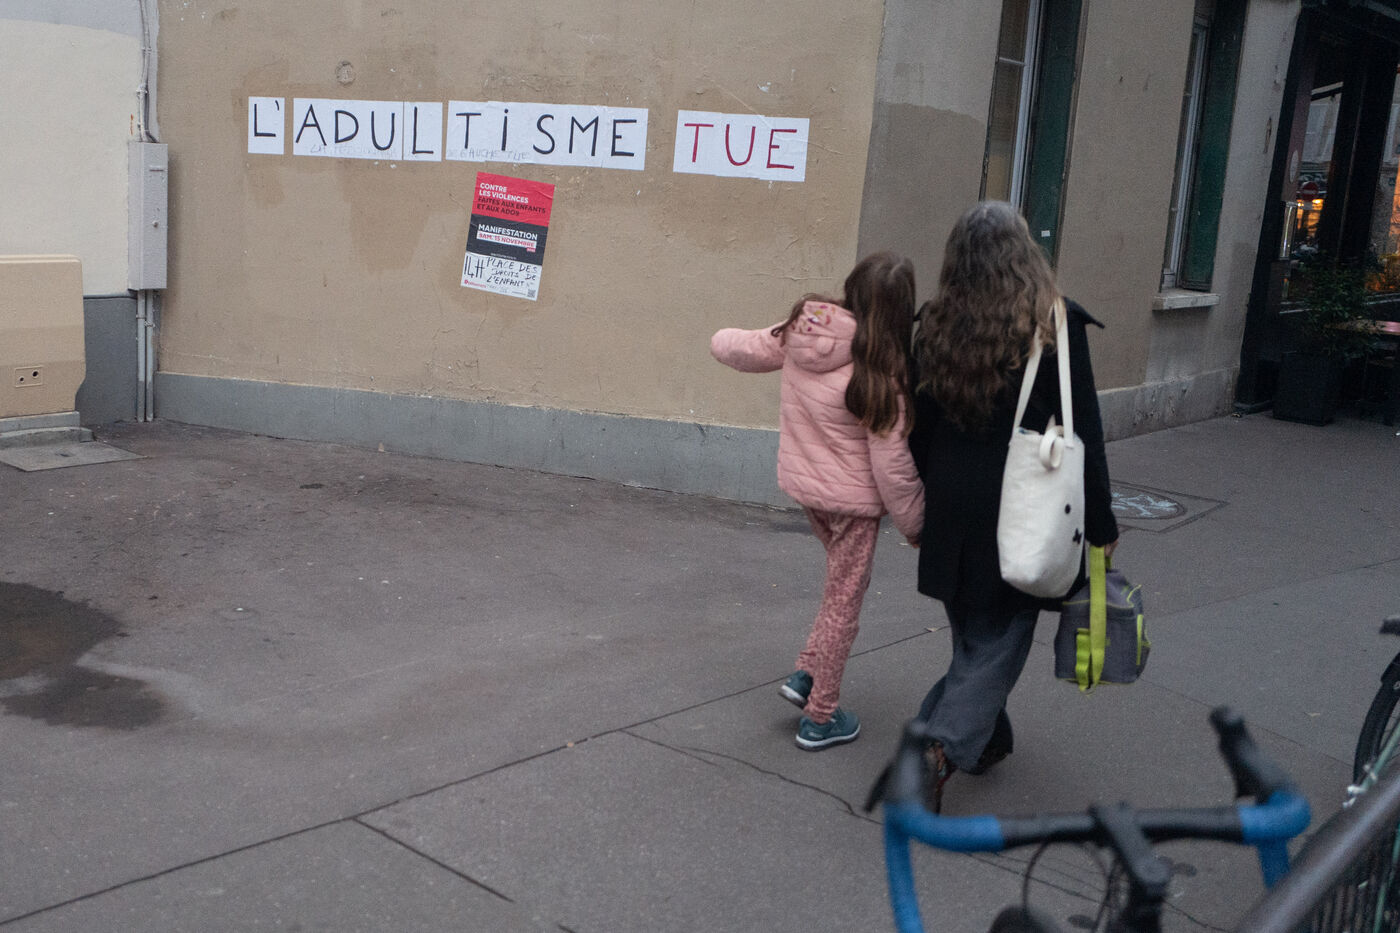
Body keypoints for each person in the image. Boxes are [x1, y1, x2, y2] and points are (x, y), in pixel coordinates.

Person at [907, 201, 1118, 809]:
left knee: (974, 634)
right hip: (1022, 505)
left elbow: (919, 426)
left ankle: (987, 740)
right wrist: (1102, 523)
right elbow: (1084, 431)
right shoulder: (1052, 326)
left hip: (951, 503)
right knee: (1001, 637)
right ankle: (937, 747)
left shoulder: (935, 323)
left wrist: (923, 498)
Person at [711, 252, 925, 751]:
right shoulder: (884, 370)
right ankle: (821, 717)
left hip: (809, 494)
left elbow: (741, 347)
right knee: (845, 603)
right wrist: (916, 526)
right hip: (852, 506)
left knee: (837, 591)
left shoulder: (805, 329)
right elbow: (892, 466)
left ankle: (806, 674)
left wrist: (719, 340)